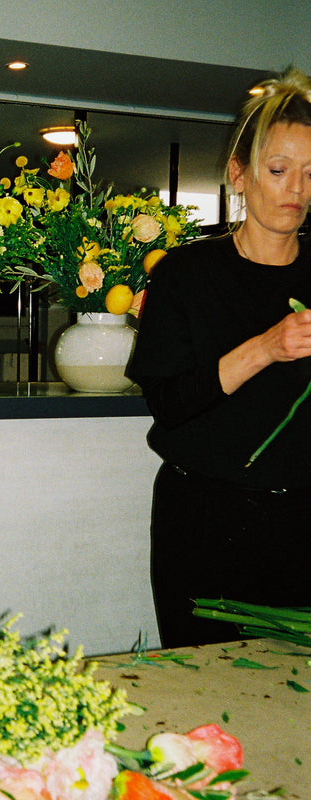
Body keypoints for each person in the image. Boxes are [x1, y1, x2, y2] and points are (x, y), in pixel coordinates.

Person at [128, 66, 311, 648]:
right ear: (238, 174)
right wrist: (266, 347)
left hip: (304, 522)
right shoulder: (185, 274)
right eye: (278, 170)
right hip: (204, 521)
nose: (296, 189)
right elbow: (170, 404)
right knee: (205, 680)